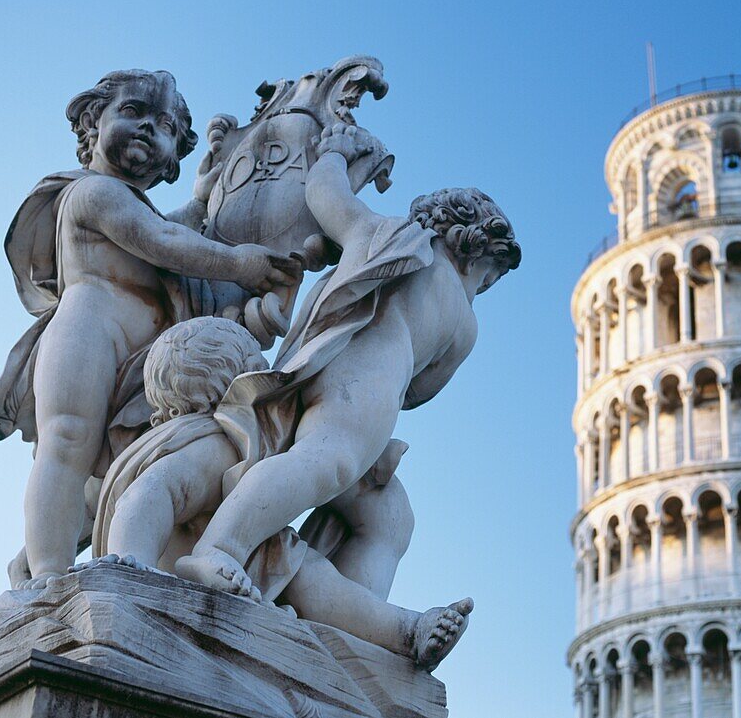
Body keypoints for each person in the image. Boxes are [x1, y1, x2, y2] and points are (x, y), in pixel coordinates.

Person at [173, 123, 521, 601]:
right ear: (474, 245)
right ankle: (221, 547)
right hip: (372, 383)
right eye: (486, 280)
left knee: (387, 516)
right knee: (327, 463)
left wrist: (335, 152)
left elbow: (324, 194)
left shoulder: (384, 236)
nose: (480, 290)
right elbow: (421, 391)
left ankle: (342, 620)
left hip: (321, 359)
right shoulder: (464, 321)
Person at [0, 70, 299, 589]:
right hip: (87, 332)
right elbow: (160, 241)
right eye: (134, 113)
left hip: (144, 354)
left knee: (109, 471)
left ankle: (38, 560)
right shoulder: (92, 193)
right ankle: (45, 576)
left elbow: (174, 226)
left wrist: (203, 196)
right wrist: (238, 264)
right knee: (67, 442)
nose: (150, 129)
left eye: (166, 126)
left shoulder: (136, 205)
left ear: (173, 153)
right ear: (92, 121)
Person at [84, 317, 469, 671]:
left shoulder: (238, 446)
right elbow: (149, 495)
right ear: (241, 380)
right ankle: (405, 630)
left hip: (253, 555)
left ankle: (407, 630)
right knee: (315, 580)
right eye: (261, 368)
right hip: (186, 563)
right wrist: (132, 564)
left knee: (316, 579)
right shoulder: (208, 441)